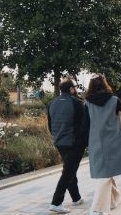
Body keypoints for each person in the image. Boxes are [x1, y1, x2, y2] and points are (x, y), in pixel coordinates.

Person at [85, 74, 121, 215]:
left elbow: (85, 124)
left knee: (105, 170)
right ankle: (97, 209)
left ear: (91, 85)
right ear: (104, 83)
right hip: (113, 139)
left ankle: (113, 200)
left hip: (95, 140)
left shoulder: (87, 102)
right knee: (105, 174)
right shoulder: (114, 100)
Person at [47, 78, 87, 214]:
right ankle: (56, 203)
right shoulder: (77, 103)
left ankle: (76, 198)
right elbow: (84, 125)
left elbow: (50, 125)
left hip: (59, 142)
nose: (76, 89)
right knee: (68, 171)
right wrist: (84, 142)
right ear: (71, 89)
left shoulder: (52, 103)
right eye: (75, 87)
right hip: (74, 143)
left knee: (70, 169)